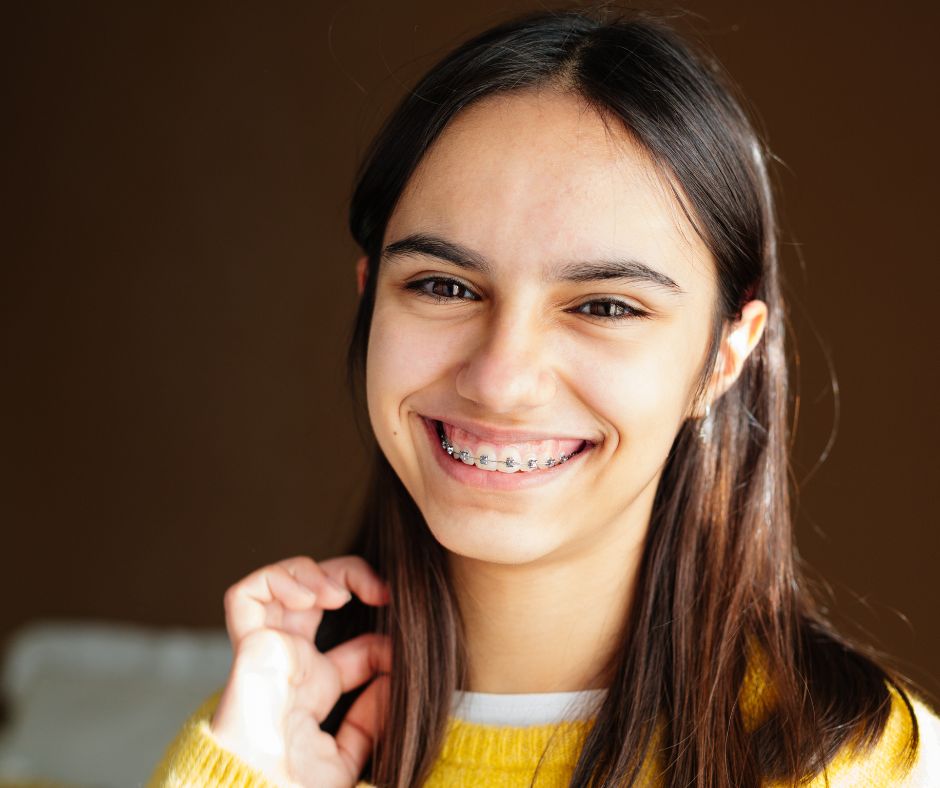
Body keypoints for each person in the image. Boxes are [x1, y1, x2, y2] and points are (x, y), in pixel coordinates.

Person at [148, 6, 940, 787]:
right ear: (370, 299)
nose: (500, 377)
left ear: (725, 353)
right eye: (443, 286)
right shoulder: (261, 745)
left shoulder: (865, 766)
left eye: (604, 306)